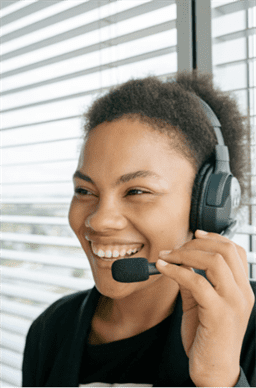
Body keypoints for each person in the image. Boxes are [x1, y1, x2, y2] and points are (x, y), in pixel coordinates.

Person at [22, 71, 255, 387]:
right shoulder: (51, 329)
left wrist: (218, 378)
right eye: (84, 191)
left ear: (208, 208)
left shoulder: (250, 330)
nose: (99, 220)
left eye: (137, 191)